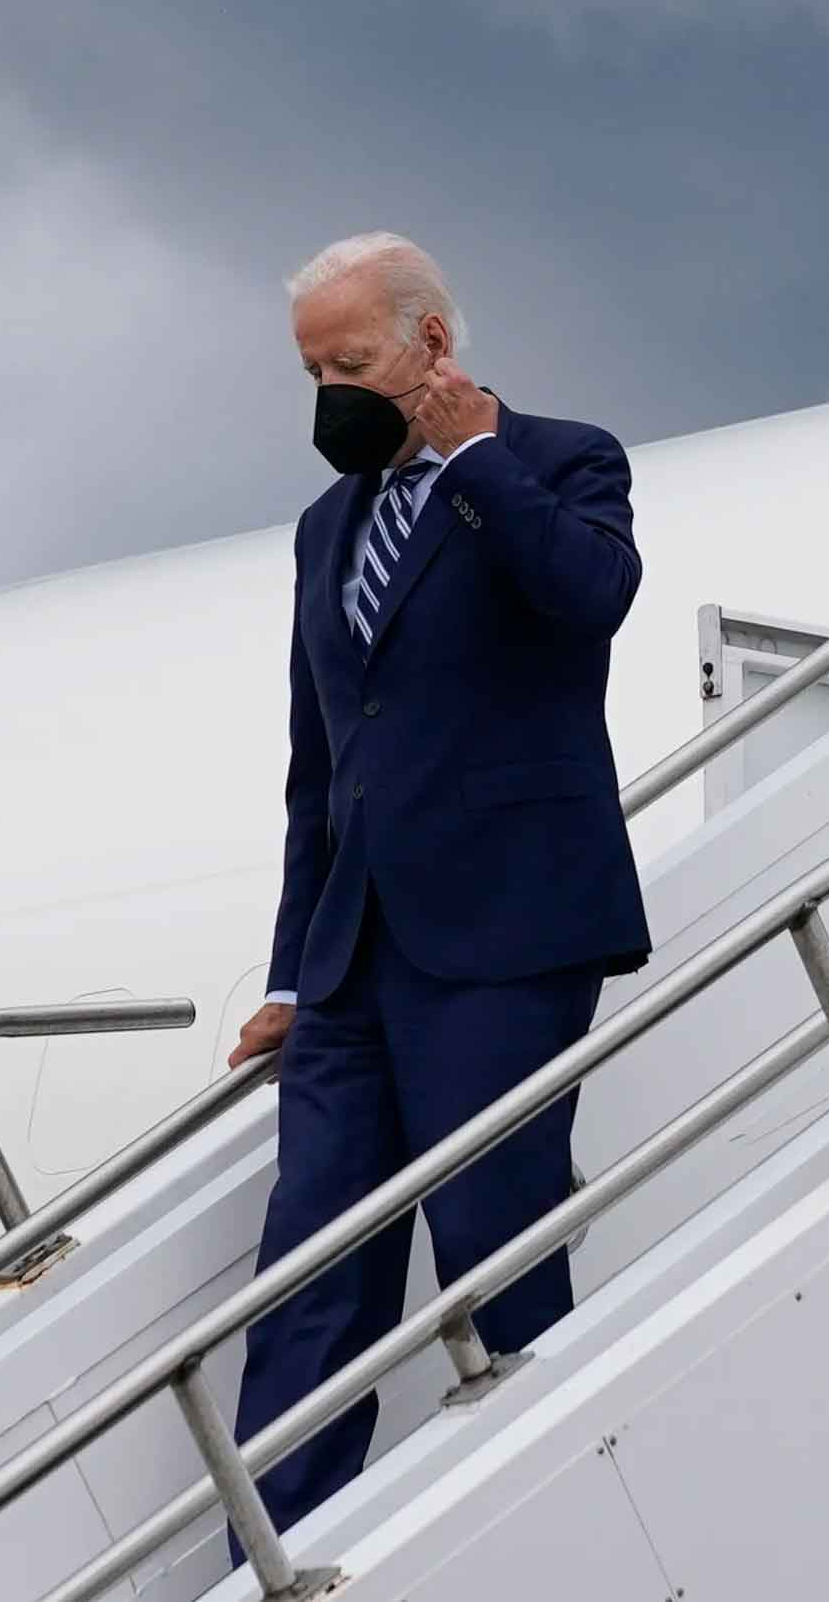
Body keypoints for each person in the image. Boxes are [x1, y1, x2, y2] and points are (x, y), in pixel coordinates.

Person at [226, 230, 650, 1554]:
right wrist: (291, 973)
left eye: (349, 364)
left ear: (431, 342)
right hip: (351, 961)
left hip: (507, 936)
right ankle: (270, 1565)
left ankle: (543, 1543)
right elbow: (320, 766)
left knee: (492, 1246)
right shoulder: (325, 528)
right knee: (309, 1274)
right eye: (310, 371)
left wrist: (474, 459)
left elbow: (591, 597)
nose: (328, 394)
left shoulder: (561, 460)